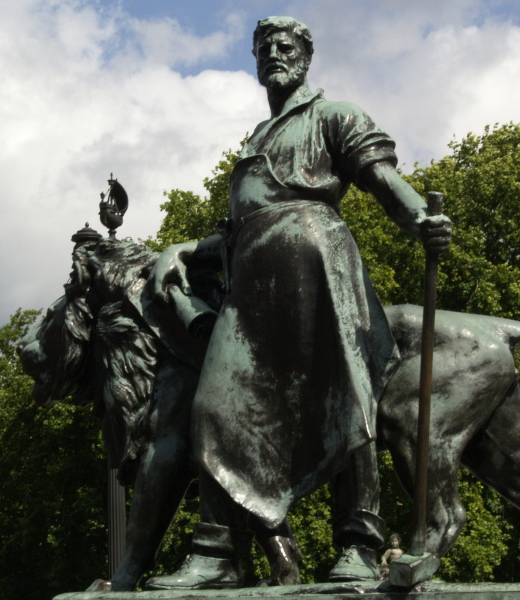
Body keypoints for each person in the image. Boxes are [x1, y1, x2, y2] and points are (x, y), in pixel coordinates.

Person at [146, 16, 451, 590]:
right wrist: (187, 248)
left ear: (306, 57)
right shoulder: (257, 137)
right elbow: (244, 228)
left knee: (345, 403)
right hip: (252, 291)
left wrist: (420, 219)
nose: (274, 56)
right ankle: (217, 552)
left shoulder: (334, 116)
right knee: (215, 406)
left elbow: (382, 180)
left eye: (285, 47)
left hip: (318, 268)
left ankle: (359, 544)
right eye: (264, 49)